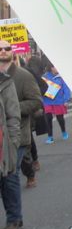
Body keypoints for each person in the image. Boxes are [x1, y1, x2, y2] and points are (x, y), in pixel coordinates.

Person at [0, 43, 42, 202]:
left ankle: (15, 221)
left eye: (7, 48)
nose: (3, 51)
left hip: (17, 133)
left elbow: (36, 101)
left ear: (12, 52)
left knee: (11, 175)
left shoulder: (23, 76)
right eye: (0, 49)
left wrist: (12, 108)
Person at [0, 60, 21, 229]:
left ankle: (14, 221)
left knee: (9, 180)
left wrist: (13, 143)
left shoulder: (5, 82)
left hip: (4, 143)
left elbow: (13, 115)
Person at [41, 63, 71, 144]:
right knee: (48, 118)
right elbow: (40, 88)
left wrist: (66, 100)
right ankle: (50, 136)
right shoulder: (45, 76)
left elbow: (66, 89)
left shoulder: (61, 77)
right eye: (55, 66)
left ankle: (64, 131)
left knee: (60, 118)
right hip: (47, 100)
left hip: (59, 100)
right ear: (51, 68)